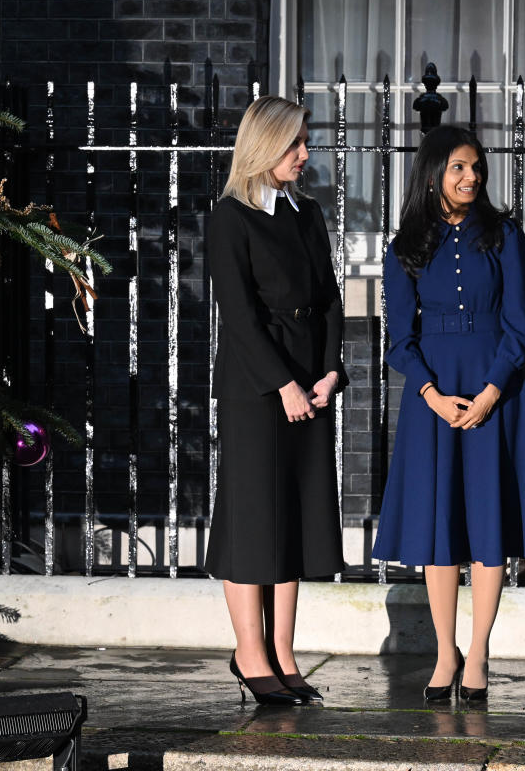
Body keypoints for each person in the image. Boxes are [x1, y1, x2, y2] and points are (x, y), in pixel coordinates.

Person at [372, 125, 525, 703]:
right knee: (439, 528)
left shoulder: (503, 237)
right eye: (458, 168)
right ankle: (444, 653)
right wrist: (431, 394)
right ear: (432, 174)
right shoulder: (404, 246)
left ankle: (478, 654)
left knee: (487, 525)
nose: (471, 177)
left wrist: (489, 394)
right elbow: (399, 339)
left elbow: (520, 327)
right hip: (433, 400)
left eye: (476, 167)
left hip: (492, 396)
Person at [204, 96, 347, 706]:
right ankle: (249, 652)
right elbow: (237, 314)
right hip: (256, 388)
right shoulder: (229, 217)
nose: (305, 155)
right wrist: (282, 384)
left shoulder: (307, 213)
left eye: (304, 143)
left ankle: (284, 653)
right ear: (264, 146)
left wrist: (330, 370)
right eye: (294, 145)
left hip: (310, 382)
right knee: (254, 519)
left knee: (293, 518)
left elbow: (331, 299)